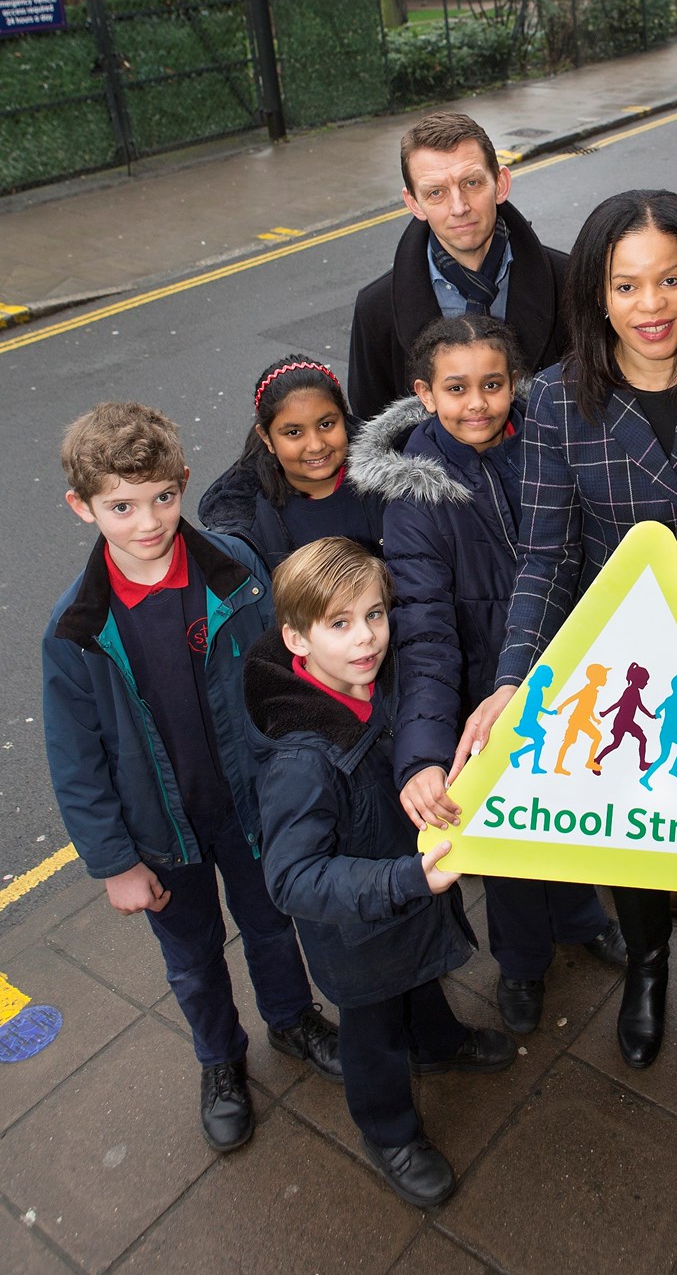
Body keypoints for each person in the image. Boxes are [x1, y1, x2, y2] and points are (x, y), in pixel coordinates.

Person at [449, 190, 677, 1071]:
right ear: (596, 295)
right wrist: (511, 678)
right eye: (627, 284)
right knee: (636, 834)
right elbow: (546, 558)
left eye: (670, 279)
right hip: (628, 667)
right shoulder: (560, 401)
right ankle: (646, 967)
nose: (652, 306)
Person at [42, 402, 340, 1154]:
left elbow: (284, 680)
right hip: (161, 833)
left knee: (273, 921)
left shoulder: (235, 573)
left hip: (249, 808)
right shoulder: (74, 631)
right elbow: (75, 761)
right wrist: (114, 864)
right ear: (83, 508)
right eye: (120, 506)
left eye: (163, 498)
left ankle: (291, 1018)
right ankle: (220, 1060)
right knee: (193, 957)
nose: (148, 522)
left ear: (181, 482)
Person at [346, 314, 624, 1038]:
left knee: (571, 805)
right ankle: (523, 961)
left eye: (493, 385)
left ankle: (583, 915)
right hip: (480, 695)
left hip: (567, 671)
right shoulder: (414, 502)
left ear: (515, 385)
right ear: (424, 393)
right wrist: (425, 755)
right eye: (458, 388)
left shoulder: (550, 444)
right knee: (506, 839)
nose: (478, 403)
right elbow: (427, 636)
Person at [244, 538, 515, 1208]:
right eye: (339, 624)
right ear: (296, 639)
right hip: (359, 936)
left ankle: (440, 1040)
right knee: (373, 1035)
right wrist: (403, 882)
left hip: (405, 897)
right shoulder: (300, 759)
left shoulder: (378, 685)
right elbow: (292, 879)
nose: (367, 638)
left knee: (419, 983)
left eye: (375, 614)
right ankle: (388, 1129)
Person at [347, 110, 569, 417]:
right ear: (414, 203)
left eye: (472, 183)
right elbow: (371, 436)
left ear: (500, 183)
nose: (459, 207)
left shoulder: (569, 282)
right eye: (436, 192)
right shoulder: (376, 310)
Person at [199, 357, 384, 569]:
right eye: (294, 432)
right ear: (267, 437)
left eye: (326, 424)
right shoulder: (251, 522)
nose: (315, 445)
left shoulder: (392, 483)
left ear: (344, 417)